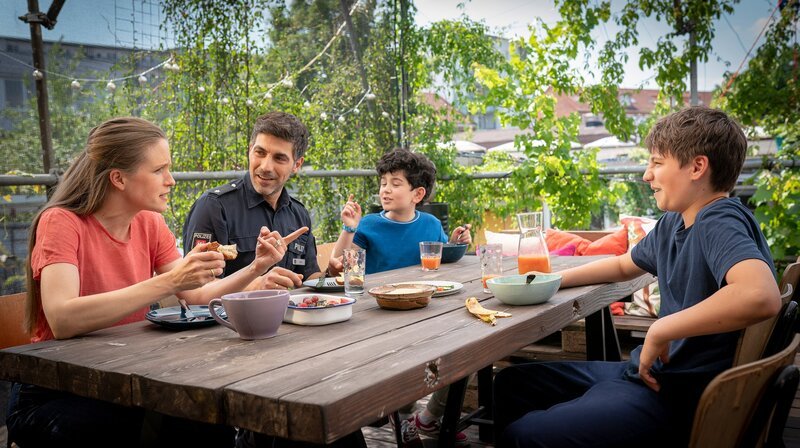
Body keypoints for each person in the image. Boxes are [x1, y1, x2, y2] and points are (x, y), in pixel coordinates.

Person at [6, 117, 306, 448]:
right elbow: (62, 319)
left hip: (123, 376)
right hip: (57, 390)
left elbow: (196, 295)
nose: (171, 180)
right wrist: (168, 282)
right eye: (159, 170)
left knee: (204, 419)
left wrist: (257, 268)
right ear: (118, 178)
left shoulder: (150, 222)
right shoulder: (61, 222)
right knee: (149, 426)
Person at [494, 106, 782, 448]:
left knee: (523, 436)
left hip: (675, 395)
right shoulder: (676, 221)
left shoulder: (718, 219)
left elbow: (760, 294)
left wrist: (662, 328)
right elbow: (621, 266)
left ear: (697, 167)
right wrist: (548, 278)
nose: (647, 175)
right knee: (511, 383)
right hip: (650, 374)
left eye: (657, 163)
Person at [331, 148, 472, 447]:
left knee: (471, 344)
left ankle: (430, 417)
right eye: (383, 182)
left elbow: (440, 264)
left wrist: (457, 243)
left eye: (395, 183)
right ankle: (403, 413)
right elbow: (345, 266)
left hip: (424, 309)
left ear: (417, 194)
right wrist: (349, 229)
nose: (385, 189)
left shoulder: (431, 225)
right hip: (380, 316)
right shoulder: (368, 224)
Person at [183, 111, 329, 291]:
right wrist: (256, 286)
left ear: (296, 165)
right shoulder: (214, 207)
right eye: (260, 152)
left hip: (290, 317)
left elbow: (308, 278)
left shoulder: (299, 214)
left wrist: (330, 277)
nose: (266, 166)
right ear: (249, 150)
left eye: (279, 158)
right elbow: (196, 286)